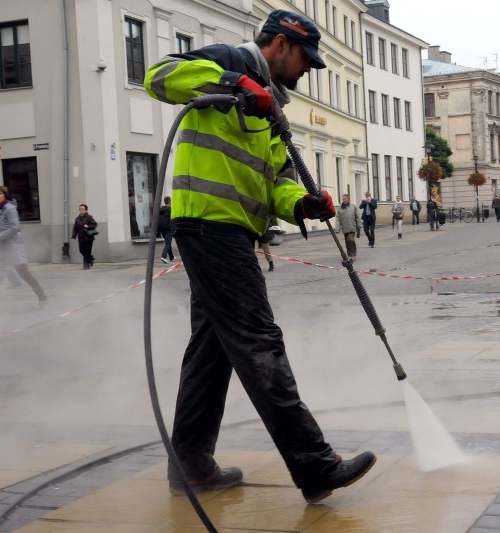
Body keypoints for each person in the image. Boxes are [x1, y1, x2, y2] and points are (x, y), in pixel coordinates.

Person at [144, 9, 375, 503]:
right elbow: (158, 77)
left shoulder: (273, 109)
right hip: (208, 224)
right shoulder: (227, 62)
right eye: (304, 60)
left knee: (212, 351)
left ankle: (192, 467)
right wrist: (233, 82)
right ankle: (314, 465)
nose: (307, 70)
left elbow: (275, 183)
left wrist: (303, 205)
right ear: (279, 46)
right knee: (258, 340)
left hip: (230, 231)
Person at [0, 186, 48, 309]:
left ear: (4, 195)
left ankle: (43, 298)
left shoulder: (10, 209)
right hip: (2, 250)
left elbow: (14, 228)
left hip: (13, 249)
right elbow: (2, 228)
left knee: (25, 275)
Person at [71, 204, 98, 269]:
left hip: (88, 237)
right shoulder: (77, 219)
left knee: (87, 251)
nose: (81, 210)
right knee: (81, 250)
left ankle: (86, 266)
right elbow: (75, 228)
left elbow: (95, 224)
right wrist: (73, 237)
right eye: (80, 209)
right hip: (81, 237)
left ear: (86, 210)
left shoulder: (89, 217)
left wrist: (88, 226)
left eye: (82, 209)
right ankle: (90, 259)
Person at [336, 193, 359, 261]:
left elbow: (357, 217)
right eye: (342, 199)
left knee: (350, 240)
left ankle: (353, 254)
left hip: (352, 227)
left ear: (348, 199)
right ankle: (349, 255)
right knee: (347, 242)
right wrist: (337, 228)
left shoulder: (353, 207)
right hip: (345, 228)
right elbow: (338, 219)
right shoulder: (340, 208)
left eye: (344, 199)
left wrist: (359, 226)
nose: (343, 200)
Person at [158, 196, 174, 263]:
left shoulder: (161, 209)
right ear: (169, 201)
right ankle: (163, 256)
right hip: (168, 228)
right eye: (171, 200)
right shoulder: (170, 209)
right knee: (168, 242)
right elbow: (172, 219)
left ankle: (171, 257)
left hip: (161, 228)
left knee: (168, 241)